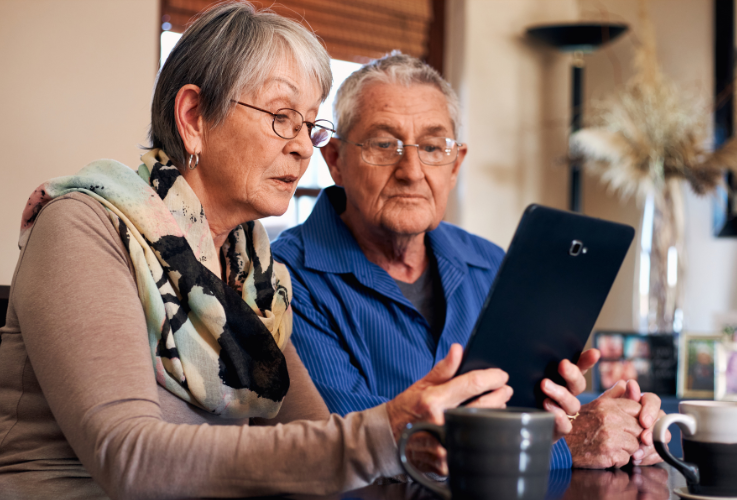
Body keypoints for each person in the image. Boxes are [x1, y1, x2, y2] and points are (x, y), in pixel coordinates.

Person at [0, 5, 527, 498]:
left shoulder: (254, 275)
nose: (302, 146)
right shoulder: (83, 226)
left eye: (308, 124)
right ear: (194, 117)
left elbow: (321, 448)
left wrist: (417, 441)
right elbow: (125, 456)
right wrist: (381, 434)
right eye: (281, 116)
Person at [272, 53, 669, 472]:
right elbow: (350, 444)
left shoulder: (490, 263)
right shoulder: (283, 278)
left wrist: (609, 422)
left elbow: (528, 407)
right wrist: (564, 446)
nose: (411, 170)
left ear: (455, 164)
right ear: (335, 160)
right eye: (384, 144)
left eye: (432, 147)